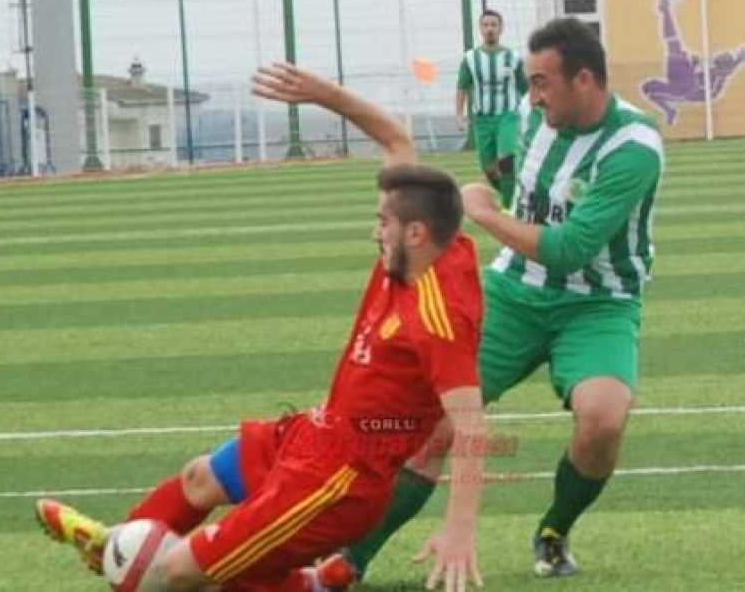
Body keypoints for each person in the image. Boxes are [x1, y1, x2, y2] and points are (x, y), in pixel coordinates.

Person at [35, 62, 488, 592]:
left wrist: (459, 530)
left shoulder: (438, 318)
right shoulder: (437, 241)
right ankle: (126, 546)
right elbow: (396, 138)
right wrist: (323, 94)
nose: (373, 232)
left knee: (175, 574)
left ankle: (142, 561)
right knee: (198, 479)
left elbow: (473, 427)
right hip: (315, 436)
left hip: (339, 480)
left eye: (380, 223)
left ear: (414, 233)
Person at [333, 16, 665, 582]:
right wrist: (499, 193)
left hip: (599, 302)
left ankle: (555, 530)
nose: (531, 96)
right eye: (529, 83)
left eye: (541, 82)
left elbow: (569, 247)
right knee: (433, 422)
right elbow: (524, 193)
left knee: (603, 419)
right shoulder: (531, 122)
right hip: (513, 293)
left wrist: (483, 212)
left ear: (584, 80)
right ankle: (349, 560)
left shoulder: (633, 147)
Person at [640, 0, 745, 125]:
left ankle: (666, 10)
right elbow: (704, 69)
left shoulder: (720, 74)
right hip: (680, 81)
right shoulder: (711, 69)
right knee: (647, 86)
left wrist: (740, 59)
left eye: (724, 56)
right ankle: (669, 110)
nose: (720, 54)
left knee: (674, 46)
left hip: (685, 88)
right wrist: (694, 63)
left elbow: (713, 92)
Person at [456, 9, 529, 210]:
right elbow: (462, 86)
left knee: (506, 159)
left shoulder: (513, 58)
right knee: (489, 169)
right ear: (480, 28)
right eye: (486, 25)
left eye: (493, 25)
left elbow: (525, 88)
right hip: (482, 119)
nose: (489, 29)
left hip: (508, 116)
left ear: (501, 28)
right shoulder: (470, 59)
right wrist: (459, 115)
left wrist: (537, 112)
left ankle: (508, 209)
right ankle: (514, 195)